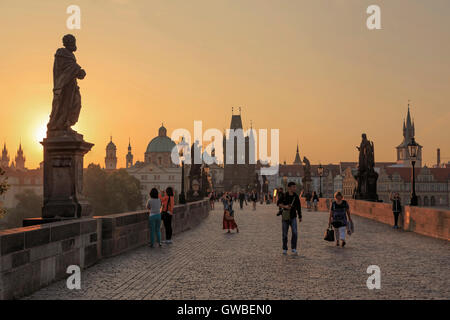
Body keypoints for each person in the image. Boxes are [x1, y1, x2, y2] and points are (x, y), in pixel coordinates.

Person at [277, 182, 302, 255]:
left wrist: (300, 216)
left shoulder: (296, 196)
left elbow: (299, 207)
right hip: (285, 217)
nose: (295, 188)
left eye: (295, 187)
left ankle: (293, 248)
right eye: (293, 187)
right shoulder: (284, 195)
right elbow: (278, 203)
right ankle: (284, 248)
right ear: (289, 188)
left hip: (293, 216)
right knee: (285, 234)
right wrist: (285, 207)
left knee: (295, 232)